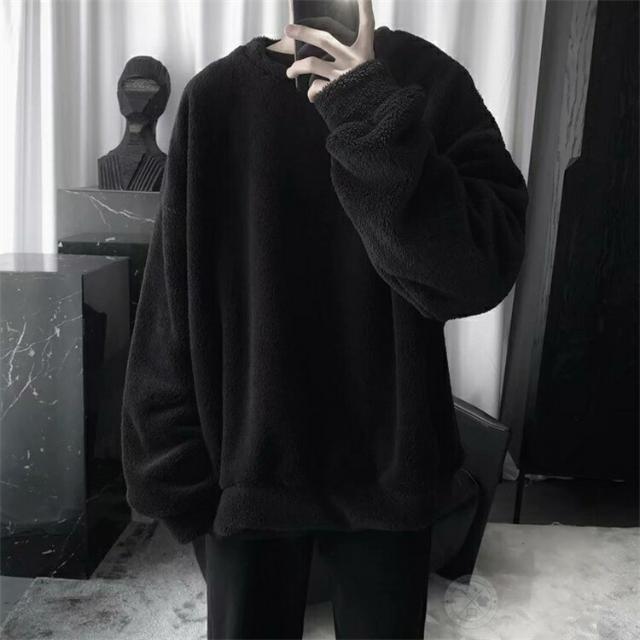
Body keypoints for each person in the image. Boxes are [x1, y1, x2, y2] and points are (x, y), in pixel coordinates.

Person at [120, 0, 529, 637]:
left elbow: (478, 271)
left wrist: (366, 106)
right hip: (248, 477)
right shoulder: (216, 98)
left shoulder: (430, 81)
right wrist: (169, 469)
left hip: (390, 480)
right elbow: (173, 299)